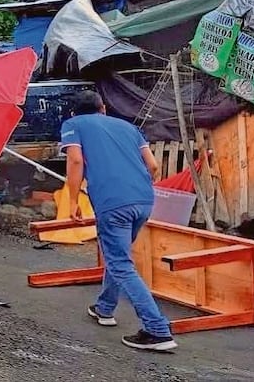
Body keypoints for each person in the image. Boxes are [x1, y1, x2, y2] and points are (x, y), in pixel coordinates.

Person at [61, 91, 176, 352]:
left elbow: (76, 160)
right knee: (118, 257)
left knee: (121, 263)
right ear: (103, 108)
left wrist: (72, 201)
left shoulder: (73, 125)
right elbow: (154, 166)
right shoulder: (128, 127)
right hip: (144, 200)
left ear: (74, 112)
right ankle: (105, 308)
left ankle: (157, 329)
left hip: (112, 203)